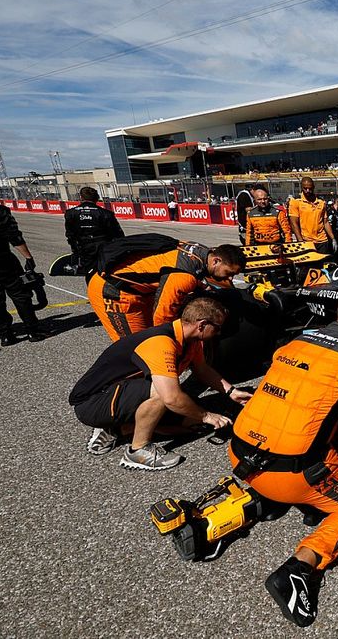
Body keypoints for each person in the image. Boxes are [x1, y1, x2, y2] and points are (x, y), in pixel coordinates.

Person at [228, 296, 338, 626]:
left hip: (240, 454)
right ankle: (300, 568)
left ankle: (233, 512)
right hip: (292, 475)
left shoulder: (298, 339)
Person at [69, 297, 251, 469]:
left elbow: (202, 370)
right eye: (218, 328)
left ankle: (119, 428)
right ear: (202, 325)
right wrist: (206, 415)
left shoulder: (191, 340)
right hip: (92, 403)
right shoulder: (161, 342)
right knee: (164, 393)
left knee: (191, 425)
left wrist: (231, 392)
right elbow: (171, 397)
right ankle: (137, 451)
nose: (219, 333)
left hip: (123, 392)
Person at [87, 237, 245, 341]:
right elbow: (162, 317)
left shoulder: (202, 252)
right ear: (216, 260)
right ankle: (134, 388)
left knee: (149, 337)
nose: (230, 278)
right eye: (229, 273)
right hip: (113, 291)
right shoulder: (183, 276)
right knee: (138, 346)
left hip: (141, 290)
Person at [0, 176, 47, 345]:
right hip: (2, 258)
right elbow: (15, 237)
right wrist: (28, 257)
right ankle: (32, 330)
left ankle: (6, 334)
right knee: (20, 294)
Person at [63, 186, 125, 278]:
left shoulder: (70, 213)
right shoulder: (106, 213)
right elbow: (118, 235)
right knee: (107, 273)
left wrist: (75, 251)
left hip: (84, 249)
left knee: (90, 275)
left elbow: (70, 235)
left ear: (81, 197)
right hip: (104, 250)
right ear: (97, 198)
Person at [289, 177, 335, 254]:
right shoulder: (295, 201)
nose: (308, 191)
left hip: (322, 240)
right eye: (305, 188)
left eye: (310, 188)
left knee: (323, 265)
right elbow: (294, 224)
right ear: (301, 187)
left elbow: (325, 222)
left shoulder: (321, 202)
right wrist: (300, 242)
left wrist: (333, 238)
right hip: (306, 241)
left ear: (313, 187)